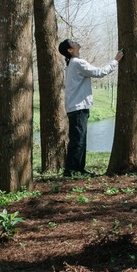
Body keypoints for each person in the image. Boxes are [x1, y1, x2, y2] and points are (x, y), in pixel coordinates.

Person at [59, 39, 123, 176]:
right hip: (78, 107)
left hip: (75, 106)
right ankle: (72, 171)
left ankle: (78, 169)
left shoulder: (71, 64)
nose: (76, 42)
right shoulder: (77, 63)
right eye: (73, 42)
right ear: (70, 50)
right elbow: (99, 73)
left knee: (79, 139)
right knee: (78, 140)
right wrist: (115, 61)